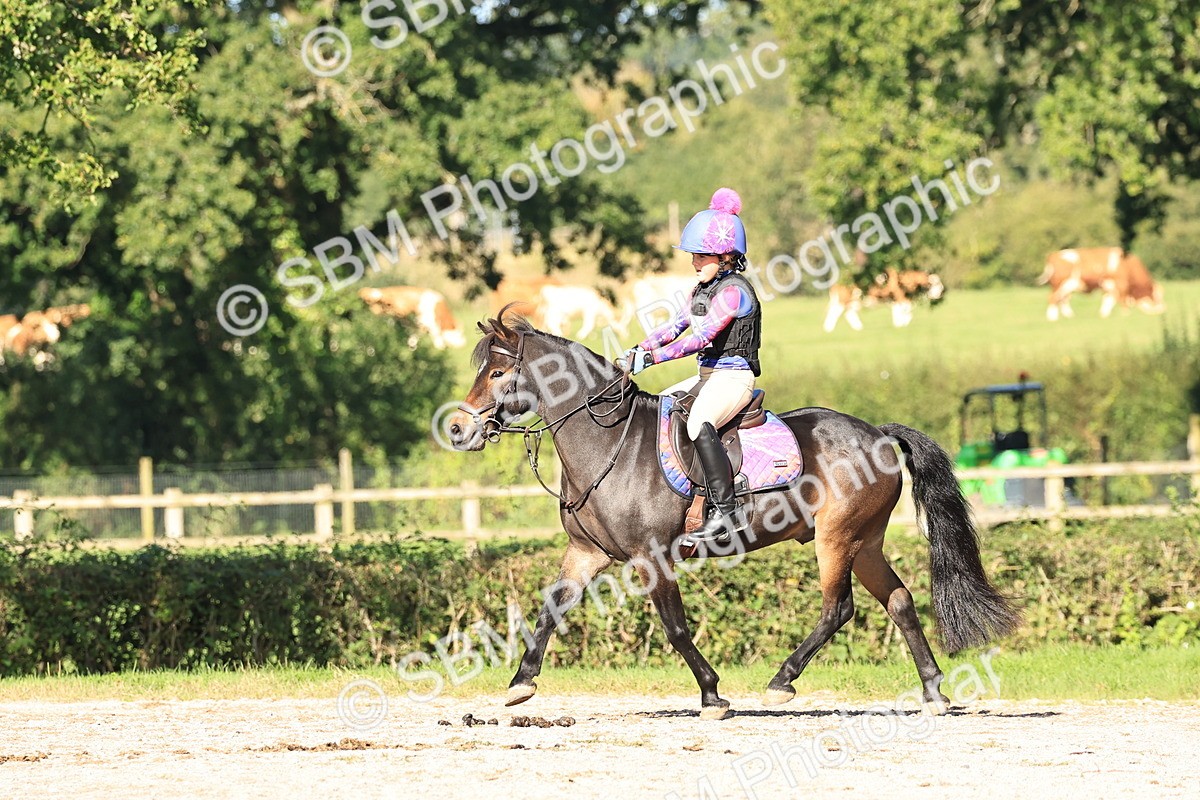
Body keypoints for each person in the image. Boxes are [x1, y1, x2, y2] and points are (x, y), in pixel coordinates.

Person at [622, 188, 761, 542]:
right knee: (658, 411)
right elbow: (674, 328)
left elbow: (700, 338)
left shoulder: (734, 292)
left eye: (701, 255)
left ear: (726, 255)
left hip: (734, 377)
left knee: (699, 420)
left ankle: (728, 512)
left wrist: (650, 359)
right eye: (693, 255)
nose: (694, 262)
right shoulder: (699, 290)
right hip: (707, 376)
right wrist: (638, 348)